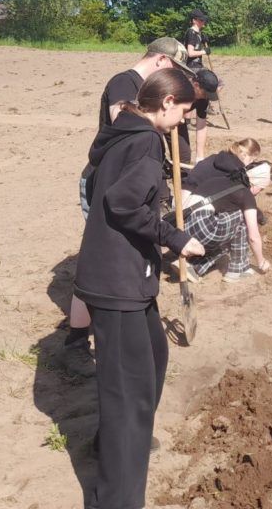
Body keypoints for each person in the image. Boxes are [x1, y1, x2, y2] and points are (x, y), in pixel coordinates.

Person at [74, 69, 205, 509]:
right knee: (127, 396)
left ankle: (110, 444)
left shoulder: (119, 132)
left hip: (120, 275)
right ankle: (117, 498)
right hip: (118, 281)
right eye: (184, 112)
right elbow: (123, 203)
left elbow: (96, 188)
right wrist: (175, 237)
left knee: (154, 354)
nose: (184, 121)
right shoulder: (147, 142)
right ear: (166, 102)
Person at [68, 37, 195, 377]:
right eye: (173, 69)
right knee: (102, 256)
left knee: (119, 255)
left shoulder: (146, 91)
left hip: (126, 181)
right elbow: (125, 123)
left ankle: (118, 328)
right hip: (106, 181)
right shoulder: (125, 83)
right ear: (160, 62)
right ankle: (77, 341)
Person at [181, 138, 272, 282]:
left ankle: (193, 265)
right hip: (200, 228)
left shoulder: (223, 179)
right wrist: (261, 261)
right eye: (260, 188)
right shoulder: (244, 192)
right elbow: (253, 236)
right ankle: (237, 269)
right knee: (241, 219)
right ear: (255, 182)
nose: (259, 192)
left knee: (229, 223)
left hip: (182, 223)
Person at [173, 68, 220, 166]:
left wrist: (200, 157)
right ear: (196, 85)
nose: (206, 97)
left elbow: (201, 126)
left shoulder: (203, 99)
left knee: (184, 156)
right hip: (157, 118)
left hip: (178, 121)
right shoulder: (179, 87)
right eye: (205, 94)